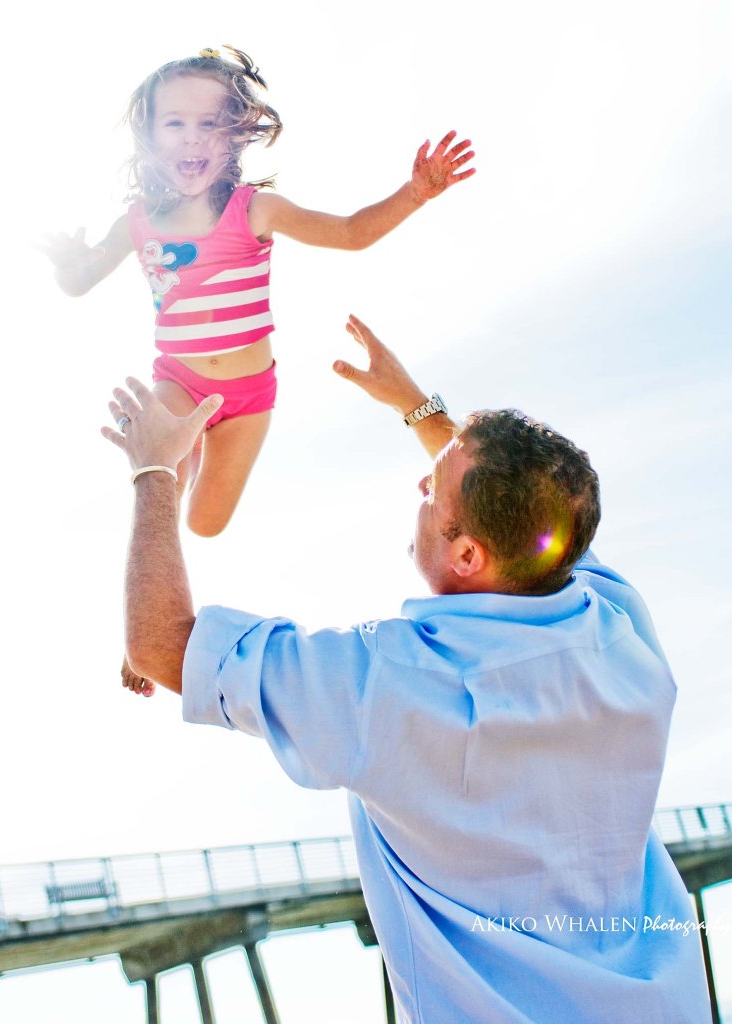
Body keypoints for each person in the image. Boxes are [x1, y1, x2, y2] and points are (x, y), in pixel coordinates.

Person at [102, 316, 711, 1023]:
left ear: (466, 559)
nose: (421, 482)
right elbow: (527, 529)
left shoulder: (387, 684)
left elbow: (161, 646)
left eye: (433, 490)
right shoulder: (619, 629)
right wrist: (415, 406)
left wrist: (154, 473)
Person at [41, 45, 474, 541]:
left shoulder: (254, 210)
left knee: (205, 525)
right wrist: (67, 267)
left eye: (210, 125)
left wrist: (414, 193)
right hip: (178, 376)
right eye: (175, 124)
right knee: (164, 476)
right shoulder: (135, 224)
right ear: (149, 138)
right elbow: (79, 283)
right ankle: (184, 444)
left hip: (248, 397)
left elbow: (351, 233)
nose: (192, 139)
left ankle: (198, 441)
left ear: (235, 138)